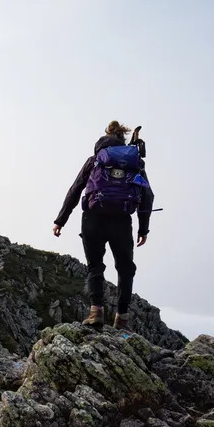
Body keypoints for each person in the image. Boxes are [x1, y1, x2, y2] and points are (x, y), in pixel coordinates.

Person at [52, 120, 154, 331]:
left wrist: (60, 220)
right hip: (122, 221)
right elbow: (147, 195)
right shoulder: (134, 163)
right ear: (123, 140)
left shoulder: (95, 160)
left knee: (95, 266)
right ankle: (122, 319)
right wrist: (143, 228)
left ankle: (96, 313)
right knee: (125, 269)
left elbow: (75, 189)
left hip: (93, 218)